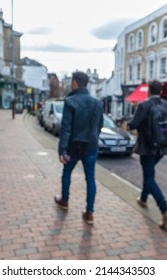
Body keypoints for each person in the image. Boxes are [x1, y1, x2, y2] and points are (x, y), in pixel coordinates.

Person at [54, 71, 103, 225]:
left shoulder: (70, 101)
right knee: (90, 178)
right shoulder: (97, 103)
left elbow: (66, 128)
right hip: (90, 146)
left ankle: (65, 200)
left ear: (75, 83)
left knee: (67, 172)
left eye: (71, 82)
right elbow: (99, 126)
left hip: (73, 146)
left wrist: (62, 150)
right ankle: (89, 212)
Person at [127, 80, 167, 229]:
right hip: (163, 147)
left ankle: (165, 209)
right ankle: (143, 198)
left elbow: (133, 125)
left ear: (148, 91)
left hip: (147, 148)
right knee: (149, 174)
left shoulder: (144, 105)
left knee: (149, 178)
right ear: (161, 91)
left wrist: (129, 124)